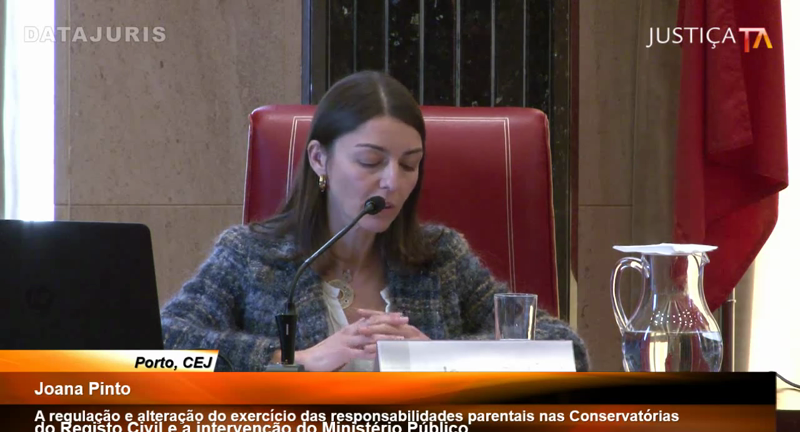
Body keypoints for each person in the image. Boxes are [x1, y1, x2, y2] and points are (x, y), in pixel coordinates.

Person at [160, 71, 590, 372]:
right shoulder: (250, 256)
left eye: (409, 165)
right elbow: (160, 346)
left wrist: (439, 356)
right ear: (319, 159)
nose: (392, 182)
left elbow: (567, 351)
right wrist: (295, 359)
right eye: (370, 161)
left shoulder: (442, 259)